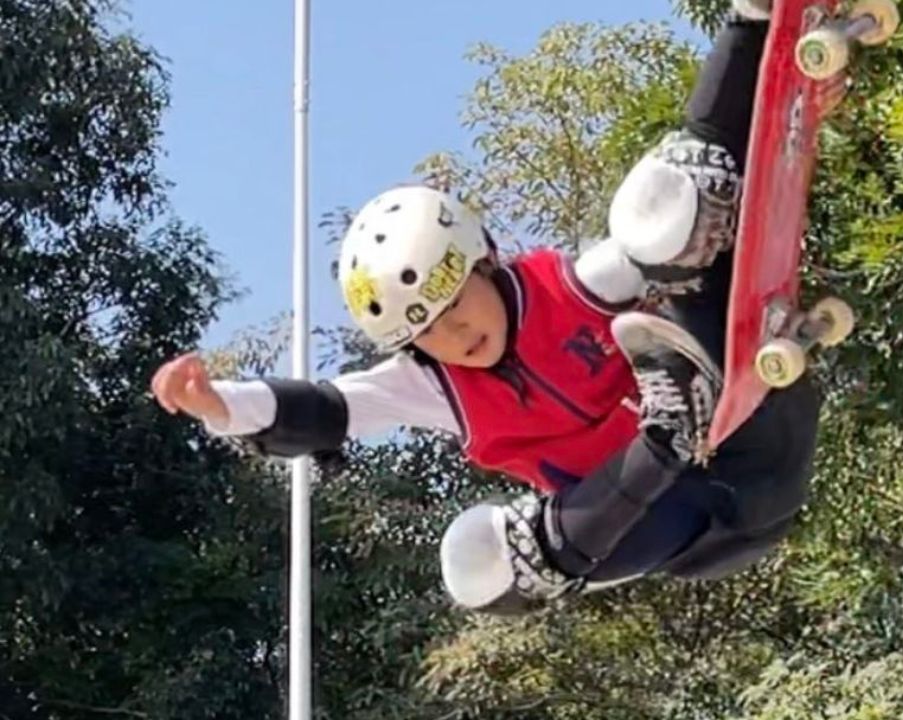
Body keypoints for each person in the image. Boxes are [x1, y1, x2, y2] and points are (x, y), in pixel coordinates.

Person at [150, 0, 820, 614]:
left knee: (668, 209)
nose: (455, 332)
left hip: (759, 438)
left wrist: (753, 32)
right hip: (685, 524)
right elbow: (326, 409)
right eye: (427, 330)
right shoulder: (433, 389)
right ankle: (669, 430)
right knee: (494, 571)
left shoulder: (575, 285)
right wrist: (218, 405)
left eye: (454, 301)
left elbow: (672, 207)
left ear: (486, 263)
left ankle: (751, 15)